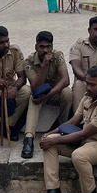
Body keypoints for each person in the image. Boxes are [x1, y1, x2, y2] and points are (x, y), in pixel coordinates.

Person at [37, 66, 97, 193]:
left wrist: (55, 140)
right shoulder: (88, 97)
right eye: (87, 83)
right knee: (49, 143)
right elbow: (74, 121)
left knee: (78, 155)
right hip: (84, 142)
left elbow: (84, 134)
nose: (88, 87)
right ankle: (53, 192)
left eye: (93, 85)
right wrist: (50, 134)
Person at [21, 30, 72, 159]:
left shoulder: (57, 55)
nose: (45, 50)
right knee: (33, 98)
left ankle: (63, 130)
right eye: (42, 47)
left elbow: (66, 80)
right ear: (36, 47)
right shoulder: (28, 62)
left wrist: (48, 95)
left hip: (54, 94)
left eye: (48, 46)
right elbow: (36, 87)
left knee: (67, 93)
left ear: (52, 47)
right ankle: (28, 139)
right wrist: (43, 66)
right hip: (39, 95)